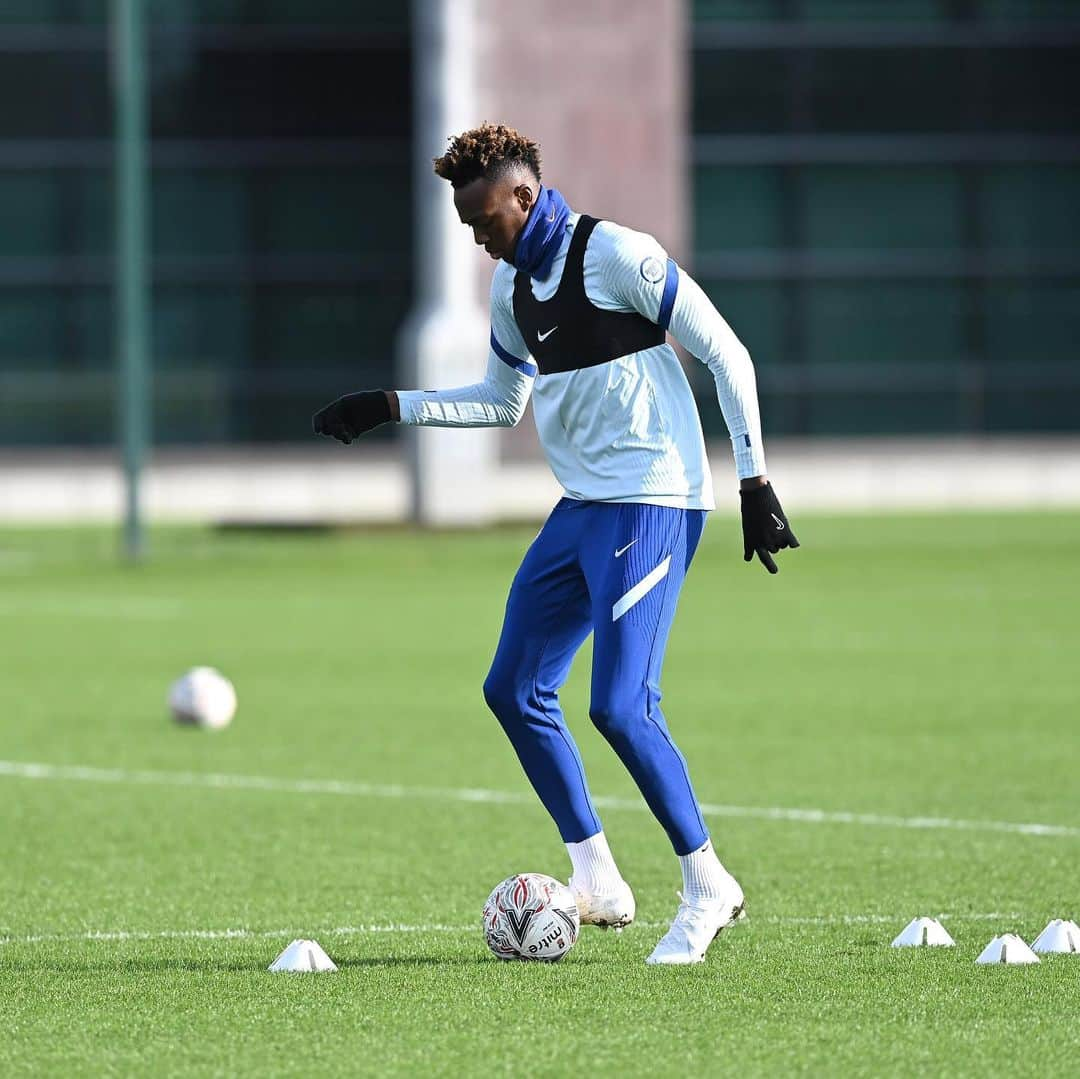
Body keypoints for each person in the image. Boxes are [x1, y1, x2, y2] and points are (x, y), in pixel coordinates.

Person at [313, 123, 798, 964]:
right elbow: (503, 403)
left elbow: (727, 352)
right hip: (582, 508)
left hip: (653, 500)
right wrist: (392, 404)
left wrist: (755, 481)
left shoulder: (616, 255)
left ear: (525, 196)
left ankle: (708, 882)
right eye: (466, 222)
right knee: (513, 687)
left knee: (618, 704)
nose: (475, 235)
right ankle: (599, 877)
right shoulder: (511, 291)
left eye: (482, 217)